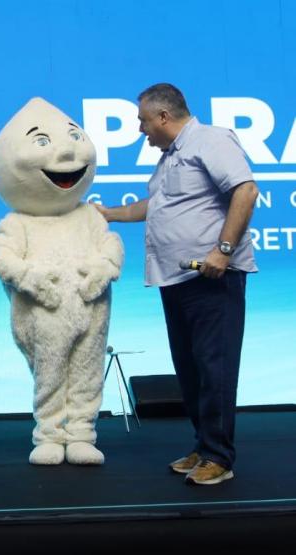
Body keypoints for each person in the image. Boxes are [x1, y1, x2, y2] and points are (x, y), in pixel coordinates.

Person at [96, 83, 258, 485]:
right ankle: (204, 446)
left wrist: (223, 250)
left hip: (211, 278)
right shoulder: (170, 159)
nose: (140, 130)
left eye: (143, 121)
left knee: (214, 367)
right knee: (189, 370)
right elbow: (155, 206)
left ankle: (220, 457)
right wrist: (107, 214)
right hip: (176, 279)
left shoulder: (210, 140)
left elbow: (246, 189)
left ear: (163, 117)